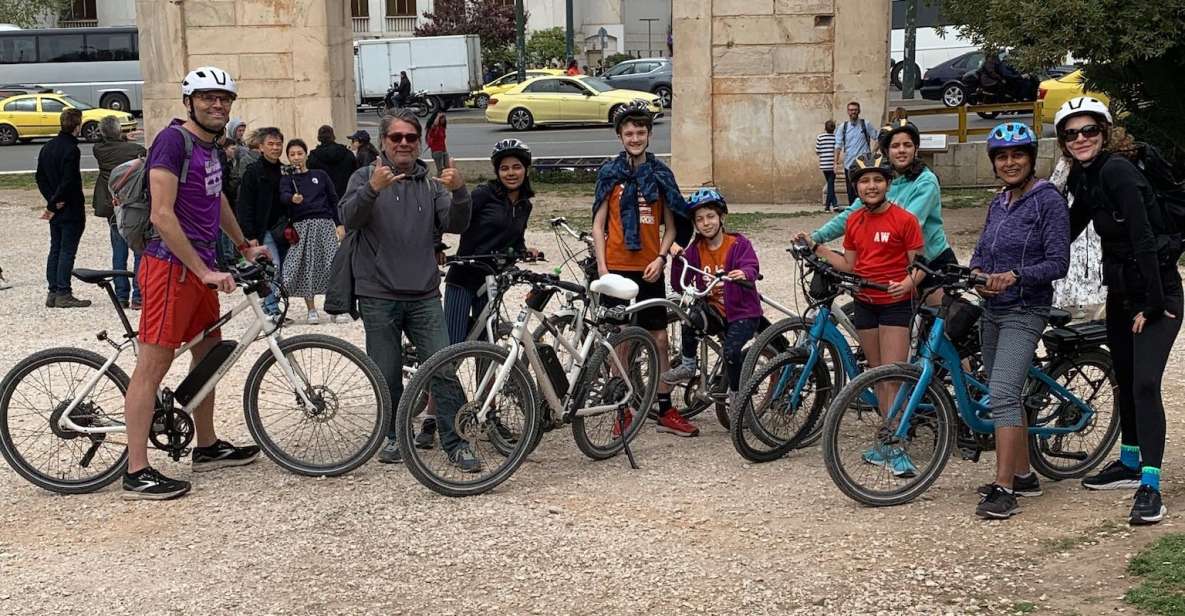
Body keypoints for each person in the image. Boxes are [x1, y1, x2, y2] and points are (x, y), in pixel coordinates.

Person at [122, 66, 270, 500]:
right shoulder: (173, 141)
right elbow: (162, 215)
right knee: (153, 364)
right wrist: (202, 270)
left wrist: (242, 245)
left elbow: (216, 197)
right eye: (207, 97)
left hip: (200, 267)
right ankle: (136, 470)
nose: (216, 105)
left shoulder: (212, 148)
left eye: (224, 99)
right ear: (189, 101)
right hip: (170, 266)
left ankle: (205, 445)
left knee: (209, 356)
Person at [1059, 96, 1181, 525]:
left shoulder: (1117, 171)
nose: (1080, 139)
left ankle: (1150, 485)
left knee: (1145, 383)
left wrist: (1152, 303)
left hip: (1157, 294)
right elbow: (1068, 231)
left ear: (1105, 133)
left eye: (1089, 130)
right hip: (1122, 293)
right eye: (1071, 134)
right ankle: (1129, 462)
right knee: (1126, 378)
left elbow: (1145, 238)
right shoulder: (1086, 177)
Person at [338, 109, 476, 469]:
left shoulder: (431, 185)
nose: (403, 143)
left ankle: (455, 440)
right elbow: (348, 218)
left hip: (424, 292)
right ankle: (394, 436)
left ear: (419, 143)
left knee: (443, 369)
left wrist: (460, 192)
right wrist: (372, 190)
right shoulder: (364, 177)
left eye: (410, 138)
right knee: (386, 372)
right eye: (396, 137)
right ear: (383, 142)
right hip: (378, 293)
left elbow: (457, 225)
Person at [797, 153, 925, 477]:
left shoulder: (905, 219)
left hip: (895, 302)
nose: (871, 186)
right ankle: (887, 440)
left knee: (893, 375)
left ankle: (897, 447)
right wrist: (818, 248)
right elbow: (850, 266)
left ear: (887, 183)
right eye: (864, 181)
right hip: (865, 301)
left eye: (877, 180)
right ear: (856, 187)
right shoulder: (854, 221)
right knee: (877, 373)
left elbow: (920, 266)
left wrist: (907, 283)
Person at [968, 122, 1070, 520]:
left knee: (1004, 395)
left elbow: (1058, 262)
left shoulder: (1048, 201)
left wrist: (1016, 275)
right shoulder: (1000, 201)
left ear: (1030, 158)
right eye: (1002, 157)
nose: (1010, 163)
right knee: (1002, 391)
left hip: (1025, 309)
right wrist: (977, 276)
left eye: (1017, 155)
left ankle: (1004, 487)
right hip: (993, 309)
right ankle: (1024, 474)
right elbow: (981, 251)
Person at [417, 138, 539, 449]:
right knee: (451, 351)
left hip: (493, 285)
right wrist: (437, 245)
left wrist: (524, 251)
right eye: (504, 168)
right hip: (465, 279)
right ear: (496, 171)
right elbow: (454, 220)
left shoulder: (524, 203)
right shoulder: (485, 195)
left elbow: (513, 238)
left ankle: (489, 415)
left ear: (526, 169)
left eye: (516, 167)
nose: (511, 173)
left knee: (488, 350)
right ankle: (433, 419)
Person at [592, 100, 696, 437]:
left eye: (640, 132)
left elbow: (672, 224)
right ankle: (621, 408)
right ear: (620, 137)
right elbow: (598, 226)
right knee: (618, 342)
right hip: (617, 267)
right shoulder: (609, 174)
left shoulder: (660, 174)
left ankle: (665, 407)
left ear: (649, 135)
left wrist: (662, 257)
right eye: (628, 133)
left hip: (649, 267)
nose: (635, 138)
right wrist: (603, 269)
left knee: (660, 339)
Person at [812, 119, 954, 300]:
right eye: (895, 146)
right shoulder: (882, 182)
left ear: (915, 149)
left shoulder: (926, 181)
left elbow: (910, 223)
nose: (901, 150)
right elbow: (849, 215)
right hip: (899, 265)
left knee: (936, 321)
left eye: (907, 145)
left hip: (930, 262)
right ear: (886, 151)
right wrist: (815, 237)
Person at [663, 187, 763, 410]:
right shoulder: (696, 249)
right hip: (714, 310)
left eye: (710, 216)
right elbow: (680, 281)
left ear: (721, 217)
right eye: (699, 219)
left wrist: (744, 273)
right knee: (689, 319)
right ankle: (688, 364)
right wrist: (678, 258)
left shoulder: (738, 244)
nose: (706, 223)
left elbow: (751, 265)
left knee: (731, 351)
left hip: (742, 313)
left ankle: (738, 396)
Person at [279, 138, 346, 325]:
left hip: (324, 224)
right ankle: (311, 309)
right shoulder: (287, 178)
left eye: (299, 153)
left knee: (332, 264)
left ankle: (336, 307)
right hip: (302, 226)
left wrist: (339, 224)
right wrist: (292, 198)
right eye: (292, 154)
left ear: (306, 155)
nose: (296, 157)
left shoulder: (320, 175)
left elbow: (333, 199)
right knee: (306, 266)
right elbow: (282, 196)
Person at [35, 108, 90, 309]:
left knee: (55, 248)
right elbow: (69, 180)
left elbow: (39, 176)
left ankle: (53, 291)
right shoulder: (71, 150)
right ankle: (64, 292)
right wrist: (57, 199)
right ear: (77, 126)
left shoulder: (48, 146)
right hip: (70, 206)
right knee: (67, 251)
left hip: (56, 206)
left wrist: (50, 199)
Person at [92, 115, 147, 309]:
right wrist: (124, 138)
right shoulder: (136, 150)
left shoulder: (99, 150)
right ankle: (138, 296)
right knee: (139, 249)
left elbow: (101, 140)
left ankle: (121, 295)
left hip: (111, 205)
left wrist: (117, 136)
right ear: (120, 131)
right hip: (133, 203)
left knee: (118, 251)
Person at [236, 126, 288, 317]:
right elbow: (245, 205)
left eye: (278, 144)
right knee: (273, 269)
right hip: (263, 229)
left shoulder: (285, 170)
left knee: (280, 269)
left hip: (282, 228)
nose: (275, 148)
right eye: (271, 144)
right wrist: (249, 235)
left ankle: (269, 305)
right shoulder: (253, 172)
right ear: (261, 147)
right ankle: (272, 309)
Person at [1050, 155, 1107, 317]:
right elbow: (1053, 189)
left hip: (1095, 224)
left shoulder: (1107, 165)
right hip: (1076, 222)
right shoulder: (1067, 163)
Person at [835, 100, 879, 205]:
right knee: (851, 191)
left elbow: (878, 138)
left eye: (855, 110)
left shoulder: (865, 124)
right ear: (848, 112)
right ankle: (853, 214)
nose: (853, 112)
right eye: (851, 110)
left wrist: (872, 153)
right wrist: (835, 162)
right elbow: (838, 145)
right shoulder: (843, 127)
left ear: (859, 111)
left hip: (863, 163)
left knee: (864, 189)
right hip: (849, 164)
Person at [306, 124, 357, 197]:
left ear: (319, 138)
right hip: (345, 195)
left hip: (324, 197)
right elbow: (355, 174)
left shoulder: (313, 157)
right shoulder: (347, 154)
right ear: (333, 136)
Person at [815, 120, 838, 211]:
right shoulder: (836, 137)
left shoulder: (820, 137)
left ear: (825, 127)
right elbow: (837, 149)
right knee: (831, 184)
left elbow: (817, 151)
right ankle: (828, 206)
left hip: (824, 164)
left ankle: (833, 204)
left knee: (830, 184)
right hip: (832, 164)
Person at [426, 112, 449, 178]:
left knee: (447, 167)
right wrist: (438, 116)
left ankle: (445, 182)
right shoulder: (434, 128)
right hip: (436, 151)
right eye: (441, 118)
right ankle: (438, 183)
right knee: (440, 169)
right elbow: (435, 125)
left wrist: (445, 150)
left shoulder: (442, 128)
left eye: (444, 118)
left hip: (443, 150)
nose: (443, 120)